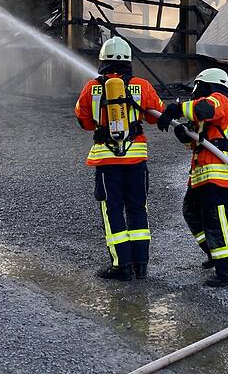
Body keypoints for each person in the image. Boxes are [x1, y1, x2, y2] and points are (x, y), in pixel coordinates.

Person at [75, 37, 164, 281]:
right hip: (136, 160)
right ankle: (140, 265)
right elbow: (156, 116)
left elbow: (84, 120)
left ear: (102, 60)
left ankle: (120, 266)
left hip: (107, 162)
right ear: (128, 61)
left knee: (112, 210)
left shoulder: (92, 87)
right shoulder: (142, 86)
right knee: (138, 207)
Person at [157, 68, 228, 288]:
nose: (195, 92)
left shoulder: (220, 99)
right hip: (201, 174)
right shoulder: (210, 108)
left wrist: (177, 108)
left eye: (198, 87)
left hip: (215, 173)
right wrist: (184, 135)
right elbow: (200, 142)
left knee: (217, 221)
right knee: (191, 212)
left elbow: (203, 109)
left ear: (207, 84)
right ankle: (215, 252)